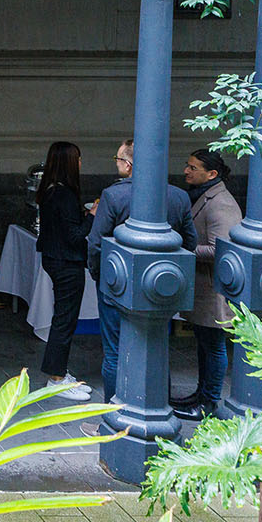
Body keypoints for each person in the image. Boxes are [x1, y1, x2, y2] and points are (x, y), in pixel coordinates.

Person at [85, 139, 197, 403]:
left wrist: (98, 275)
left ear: (128, 165)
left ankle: (113, 415)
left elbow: (95, 243)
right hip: (160, 286)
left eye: (118, 159)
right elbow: (190, 242)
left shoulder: (114, 195)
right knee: (157, 348)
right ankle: (158, 406)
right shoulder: (179, 196)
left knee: (114, 351)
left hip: (117, 284)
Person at [176, 149, 242, 421]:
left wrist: (183, 250)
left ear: (211, 174)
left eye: (193, 167)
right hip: (204, 286)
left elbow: (220, 249)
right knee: (205, 344)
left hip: (213, 289)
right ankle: (201, 395)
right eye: (187, 165)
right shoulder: (205, 195)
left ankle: (209, 402)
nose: (186, 171)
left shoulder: (220, 203)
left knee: (214, 346)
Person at [35, 141, 91, 401]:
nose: (80, 163)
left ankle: (58, 371)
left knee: (63, 318)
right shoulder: (65, 194)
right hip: (66, 262)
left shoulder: (49, 190)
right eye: (78, 159)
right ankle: (56, 377)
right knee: (65, 320)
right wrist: (92, 215)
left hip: (54, 258)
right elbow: (75, 235)